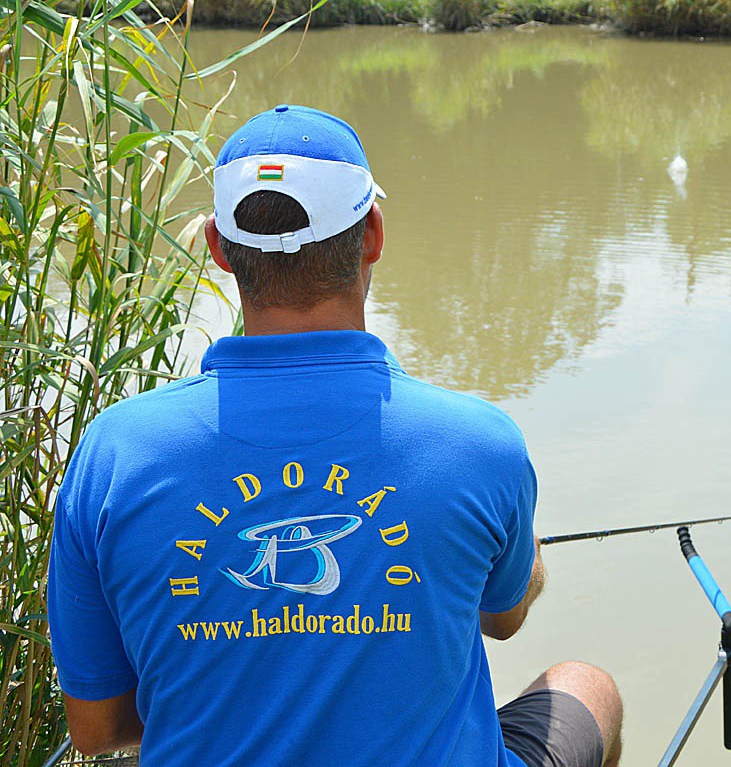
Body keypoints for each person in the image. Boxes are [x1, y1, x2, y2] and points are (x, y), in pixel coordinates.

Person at [46, 104, 623, 766]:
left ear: (218, 248)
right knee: (589, 685)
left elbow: (96, 729)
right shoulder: (478, 444)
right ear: (373, 233)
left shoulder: (115, 453)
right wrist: (531, 563)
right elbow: (503, 616)